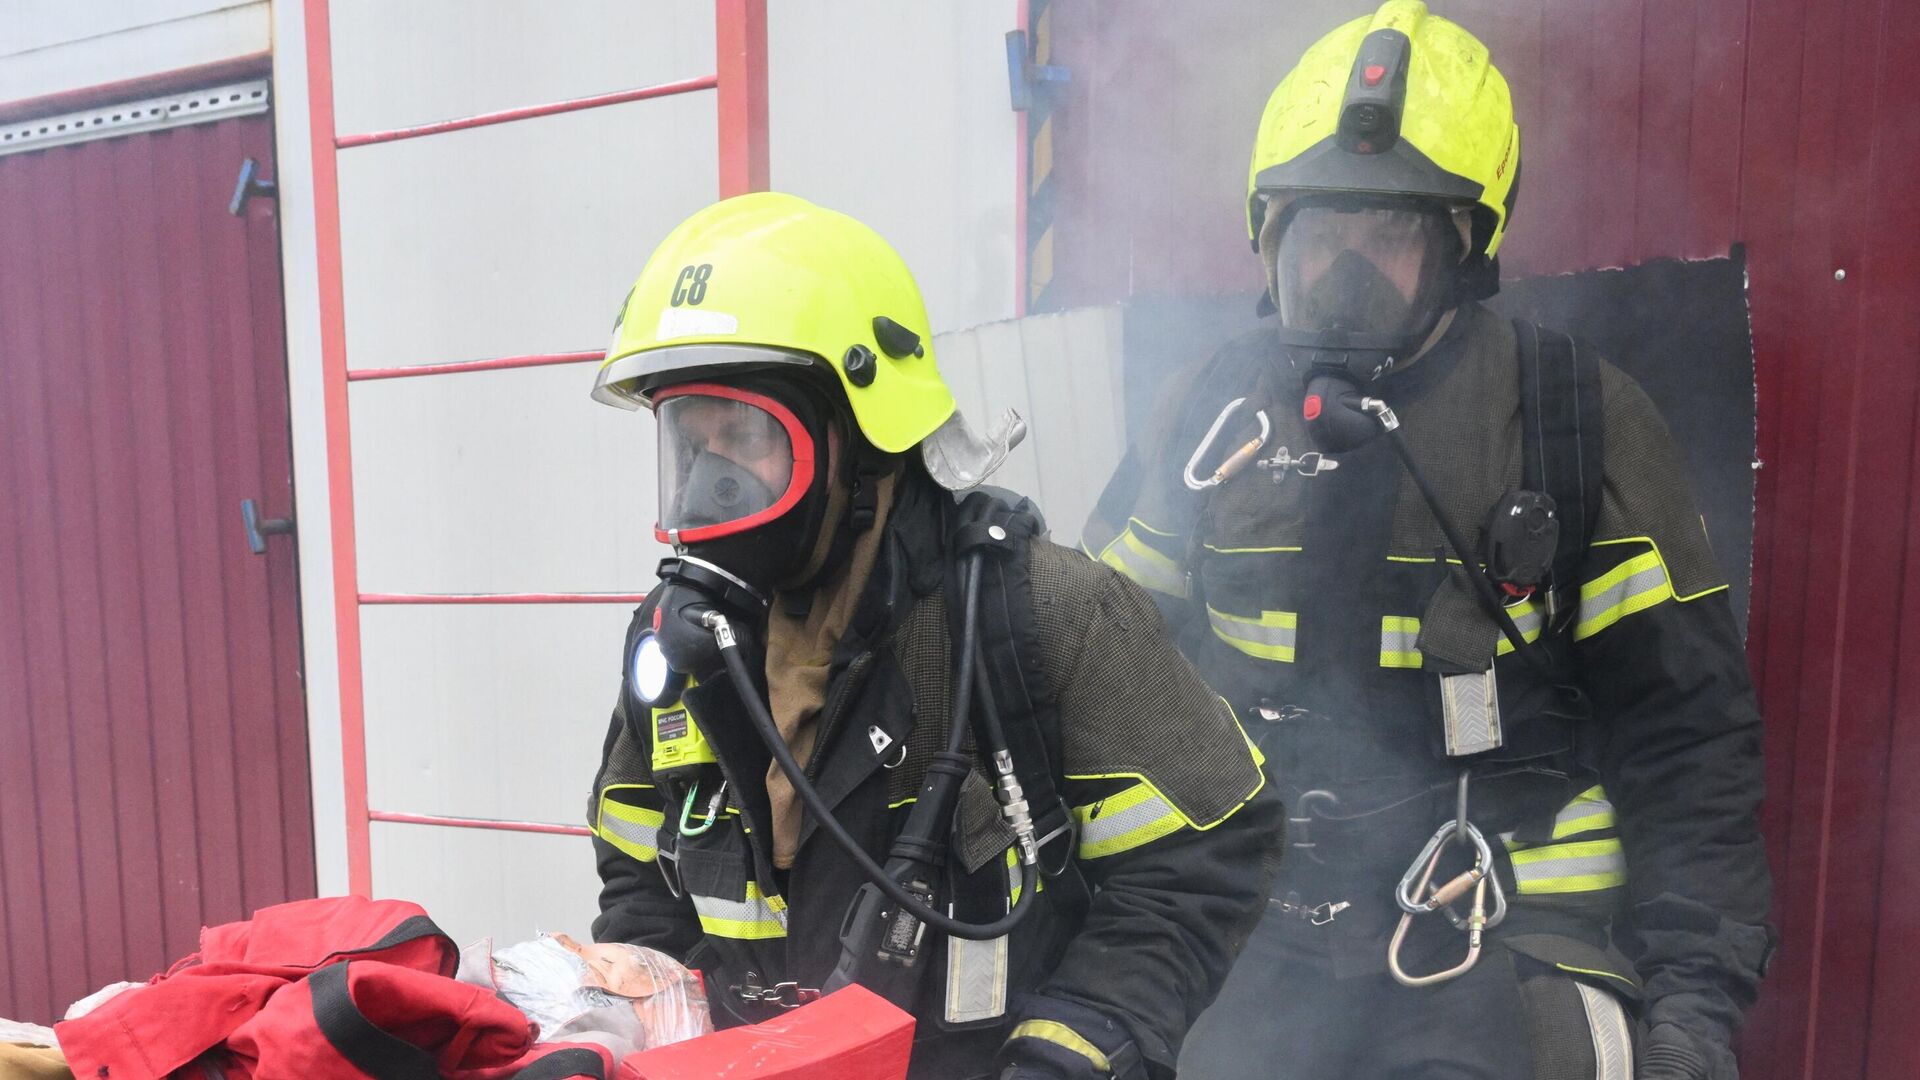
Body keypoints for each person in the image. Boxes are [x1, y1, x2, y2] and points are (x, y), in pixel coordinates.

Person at [1080, 3, 1772, 1078]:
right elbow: (1097, 677)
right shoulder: (1209, 414)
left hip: (1504, 933)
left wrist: (1693, 1007)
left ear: (1461, 250)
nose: (1343, 274)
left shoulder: (1571, 421)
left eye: (1387, 238)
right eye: (1320, 237)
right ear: (1270, 240)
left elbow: (1687, 738)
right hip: (1258, 930)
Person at [584, 192, 1284, 1080]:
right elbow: (637, 872)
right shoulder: (678, 646)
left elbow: (1205, 854)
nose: (710, 482)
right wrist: (661, 1030)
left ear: (862, 440)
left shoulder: (1041, 613)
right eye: (691, 440)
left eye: (748, 435)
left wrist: (1070, 1054)